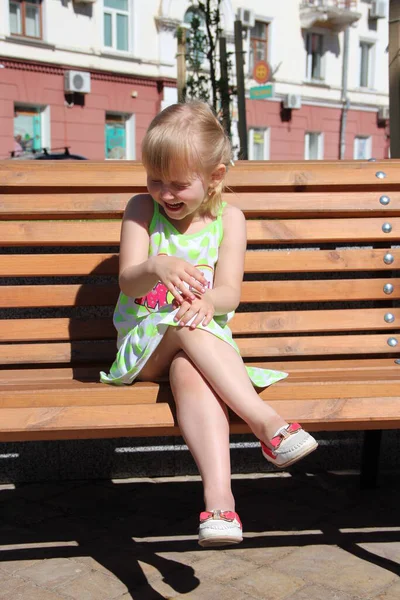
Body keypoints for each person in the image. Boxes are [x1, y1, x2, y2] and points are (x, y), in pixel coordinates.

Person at [101, 101, 318, 547]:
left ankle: (220, 506)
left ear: (215, 176)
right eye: (155, 180)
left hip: (201, 343)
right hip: (144, 345)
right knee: (182, 326)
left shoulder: (230, 219)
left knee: (189, 368)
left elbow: (229, 293)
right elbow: (127, 280)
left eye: (179, 184)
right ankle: (266, 424)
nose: (165, 193)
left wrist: (208, 301)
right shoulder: (142, 209)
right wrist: (157, 265)